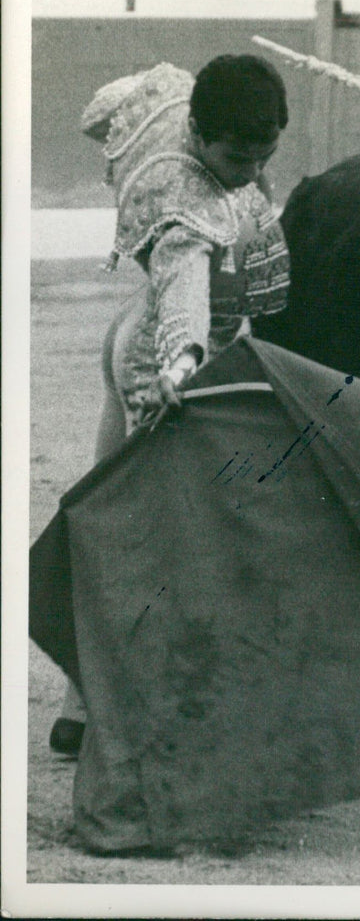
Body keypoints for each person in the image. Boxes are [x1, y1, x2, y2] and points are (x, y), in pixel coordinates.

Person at [47, 54, 291, 755]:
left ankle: (77, 708)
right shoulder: (189, 204)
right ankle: (132, 709)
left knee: (108, 520)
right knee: (155, 543)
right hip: (162, 371)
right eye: (237, 155)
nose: (249, 170)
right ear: (201, 132)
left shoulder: (173, 100)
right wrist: (183, 363)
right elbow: (185, 291)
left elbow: (103, 106)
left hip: (130, 336)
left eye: (265, 152)